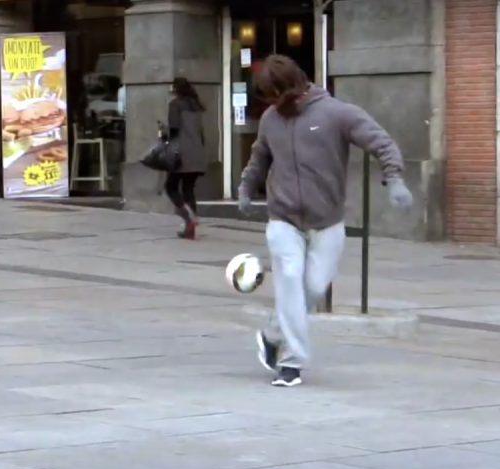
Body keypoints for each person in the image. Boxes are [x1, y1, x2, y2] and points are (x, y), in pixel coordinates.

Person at [238, 55, 413, 388]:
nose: (270, 104)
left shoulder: (337, 113)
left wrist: (395, 179)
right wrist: (246, 187)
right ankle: (291, 364)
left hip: (327, 219)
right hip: (284, 218)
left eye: (273, 96)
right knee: (289, 278)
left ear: (291, 88)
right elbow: (259, 157)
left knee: (313, 288)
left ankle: (273, 334)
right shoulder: (271, 120)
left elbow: (382, 142)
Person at [165, 77, 206, 240]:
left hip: (181, 153)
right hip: (197, 152)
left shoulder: (175, 105)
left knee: (170, 186)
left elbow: (174, 128)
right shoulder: (196, 106)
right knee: (189, 189)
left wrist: (165, 133)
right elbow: (201, 133)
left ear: (176, 89)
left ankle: (188, 217)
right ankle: (190, 227)